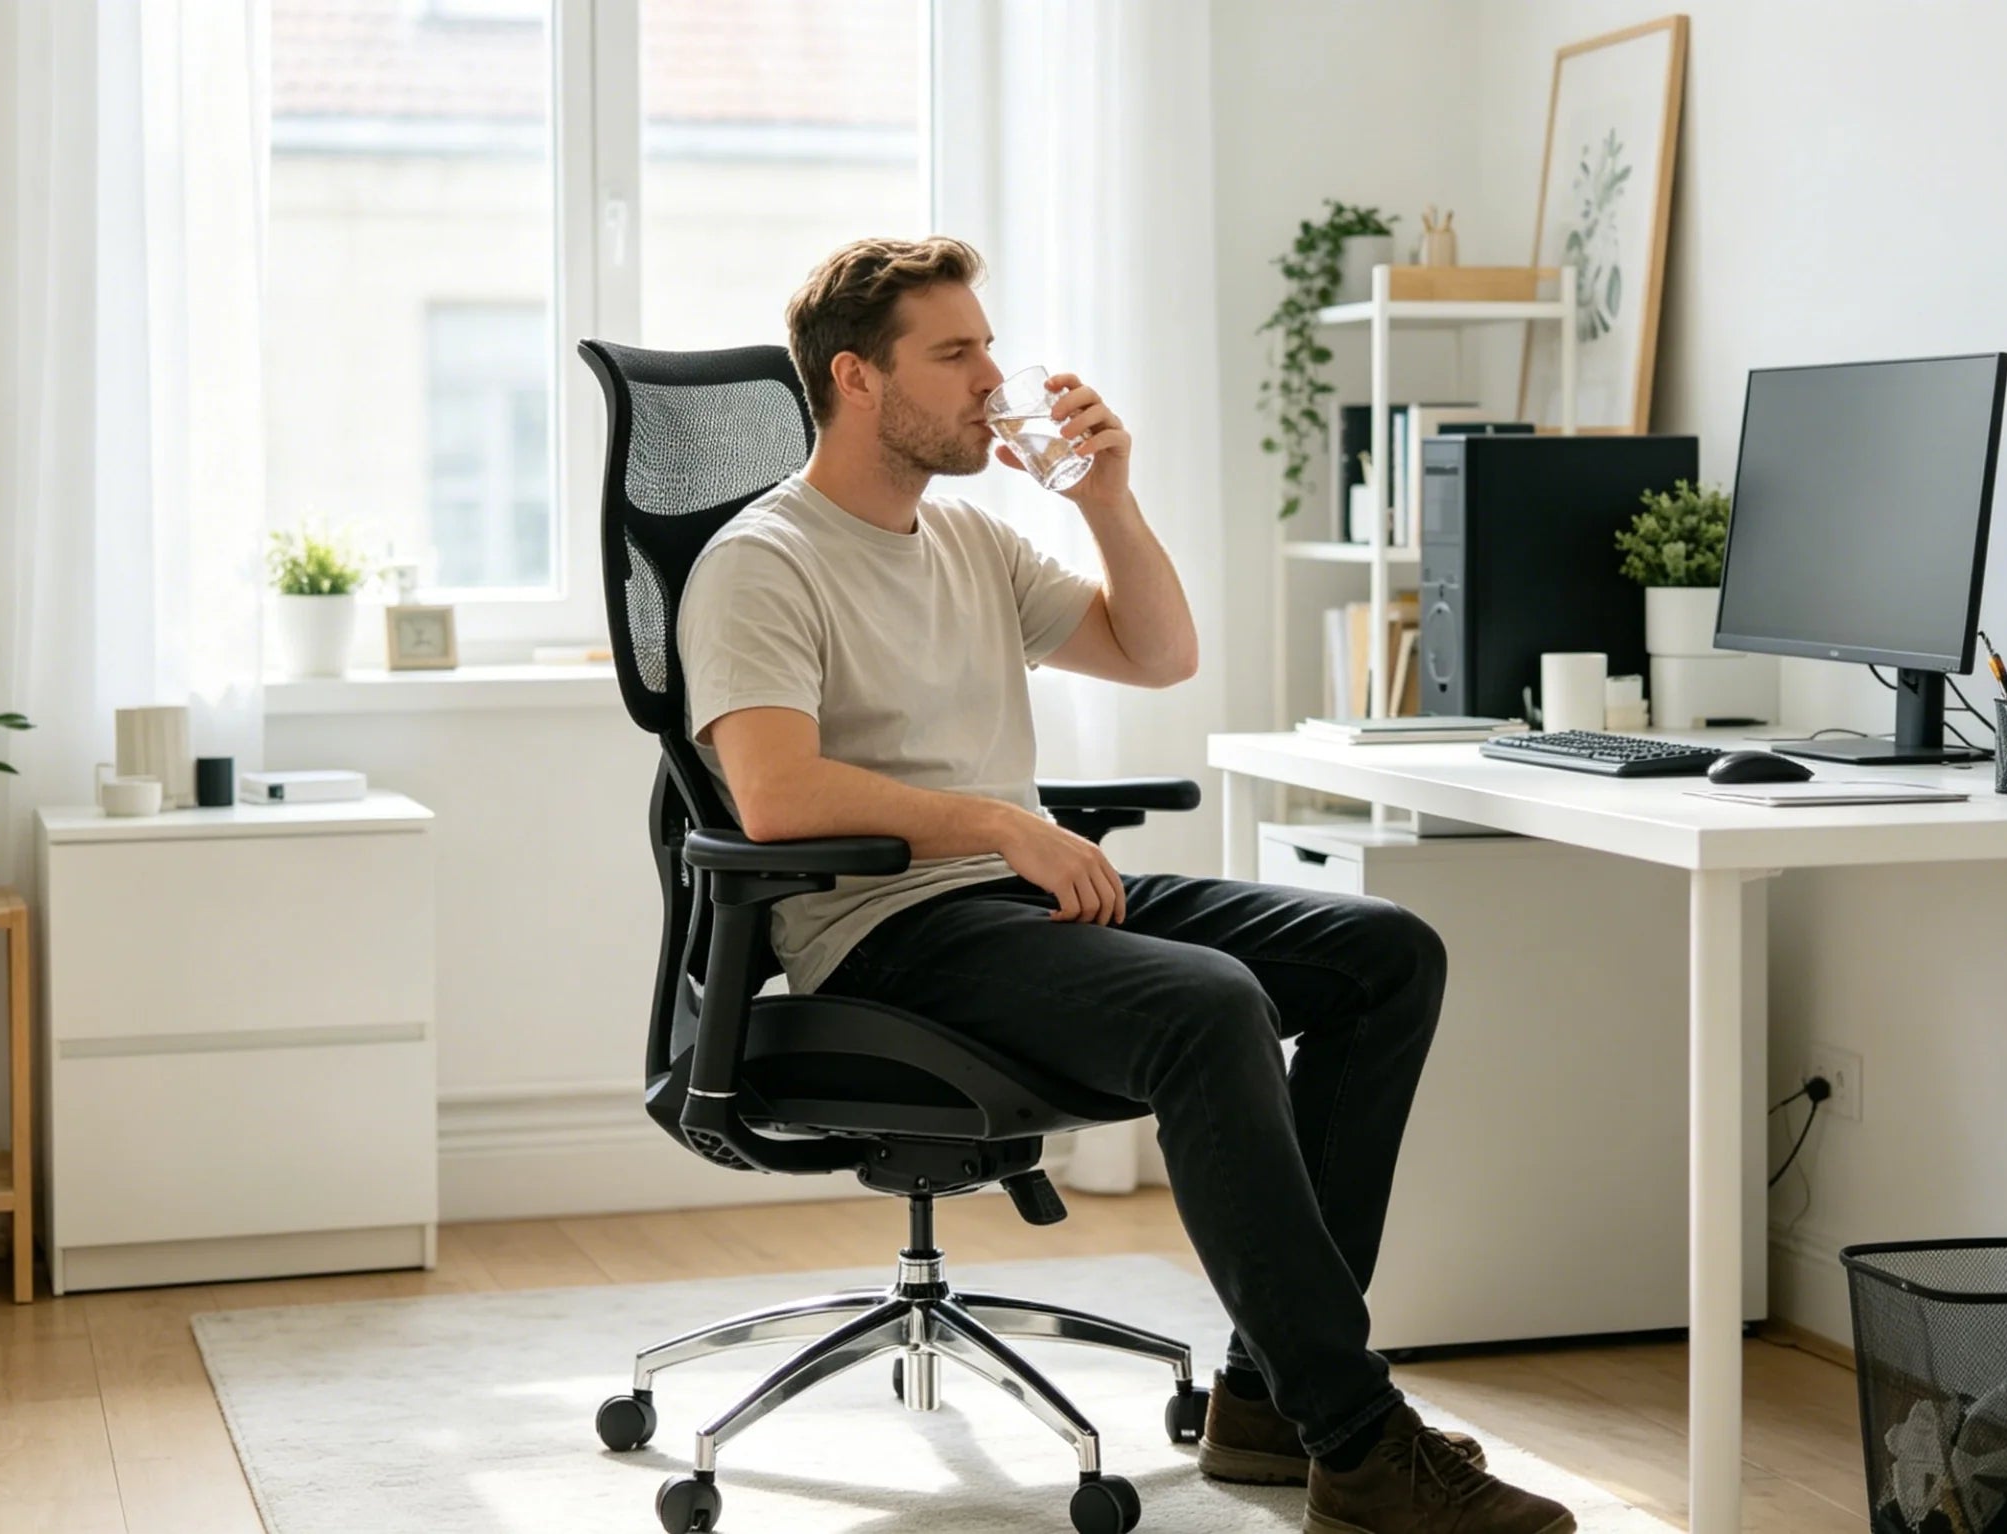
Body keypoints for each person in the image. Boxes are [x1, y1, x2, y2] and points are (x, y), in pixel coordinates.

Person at [673, 235, 1576, 1534]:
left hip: (1015, 896)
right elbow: (775, 795)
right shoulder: (765, 559)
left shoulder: (971, 540)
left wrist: (1105, 496)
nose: (994, 377)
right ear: (858, 380)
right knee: (1209, 1004)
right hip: (890, 931)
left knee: (1385, 952)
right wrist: (996, 822)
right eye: (956, 352)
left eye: (990, 344)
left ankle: (1268, 1396)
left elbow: (1158, 652)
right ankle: (1362, 1438)